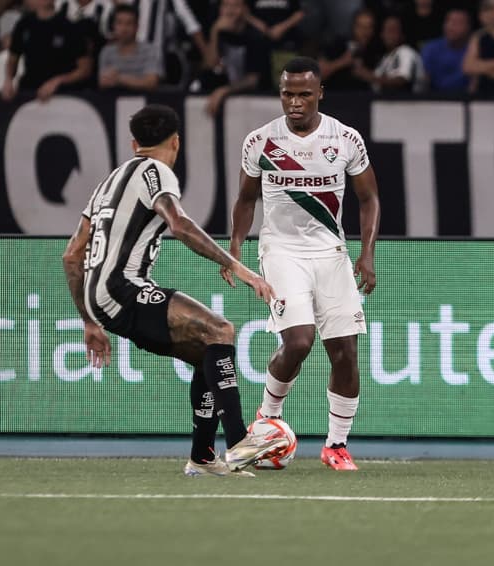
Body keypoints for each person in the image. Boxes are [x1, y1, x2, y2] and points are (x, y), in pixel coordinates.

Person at [62, 104, 287, 476]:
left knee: (208, 353)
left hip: (98, 297)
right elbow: (179, 224)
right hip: (123, 288)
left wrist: (89, 319)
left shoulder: (108, 182)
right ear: (176, 142)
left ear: (134, 142)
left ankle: (202, 458)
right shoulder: (156, 171)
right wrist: (237, 267)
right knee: (221, 330)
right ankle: (240, 445)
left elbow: (72, 255)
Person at [222, 57, 380, 471]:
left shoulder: (345, 139)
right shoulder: (260, 142)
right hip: (281, 252)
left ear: (320, 94)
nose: (295, 102)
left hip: (331, 253)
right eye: (288, 93)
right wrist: (235, 247)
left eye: (304, 94)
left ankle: (336, 445)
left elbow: (369, 199)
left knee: (345, 351)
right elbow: (245, 199)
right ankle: (267, 419)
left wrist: (367, 254)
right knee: (299, 341)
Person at [2, 0, 92, 101]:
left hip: (62, 94)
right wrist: (8, 79)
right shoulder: (23, 24)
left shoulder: (68, 26)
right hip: (29, 91)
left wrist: (58, 81)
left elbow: (85, 69)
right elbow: (12, 59)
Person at [202, 0, 271, 116]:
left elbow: (252, 80)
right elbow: (210, 65)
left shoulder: (255, 37)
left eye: (235, 6)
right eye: (225, 5)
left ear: (245, 10)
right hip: (227, 103)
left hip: (256, 103)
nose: (229, 10)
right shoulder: (220, 33)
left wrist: (225, 90)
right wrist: (214, 32)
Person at [98, 4, 161, 92]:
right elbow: (103, 82)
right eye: (119, 23)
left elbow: (151, 82)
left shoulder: (149, 50)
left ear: (136, 27)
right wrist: (137, 81)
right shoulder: (107, 52)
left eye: (129, 23)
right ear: (113, 26)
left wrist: (119, 78)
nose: (124, 29)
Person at [318, 8, 383, 91]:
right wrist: (342, 62)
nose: (365, 31)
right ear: (353, 27)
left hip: (367, 99)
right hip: (337, 97)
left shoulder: (377, 50)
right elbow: (318, 74)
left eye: (369, 27)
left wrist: (366, 74)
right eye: (360, 26)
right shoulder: (339, 45)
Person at [371, 12, 426, 93]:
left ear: (402, 34)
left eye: (393, 30)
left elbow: (401, 82)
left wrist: (365, 75)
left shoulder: (406, 52)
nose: (389, 33)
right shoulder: (384, 59)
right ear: (381, 34)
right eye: (387, 29)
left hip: (409, 103)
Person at [421, 8, 471, 93]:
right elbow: (423, 80)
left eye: (458, 23)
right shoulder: (431, 48)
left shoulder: (475, 49)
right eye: (448, 21)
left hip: (467, 99)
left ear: (468, 27)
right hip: (434, 99)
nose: (451, 26)